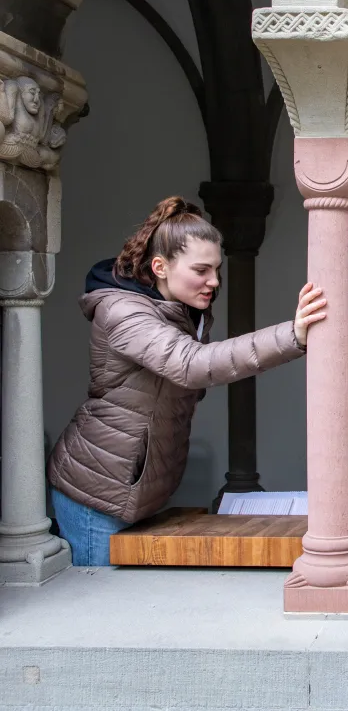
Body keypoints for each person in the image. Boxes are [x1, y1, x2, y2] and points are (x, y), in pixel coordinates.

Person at [47, 196, 326, 566]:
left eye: (216, 269)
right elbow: (192, 365)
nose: (213, 281)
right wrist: (293, 336)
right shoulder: (122, 311)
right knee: (100, 601)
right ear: (160, 267)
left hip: (134, 489)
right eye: (201, 270)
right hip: (95, 489)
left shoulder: (180, 312)